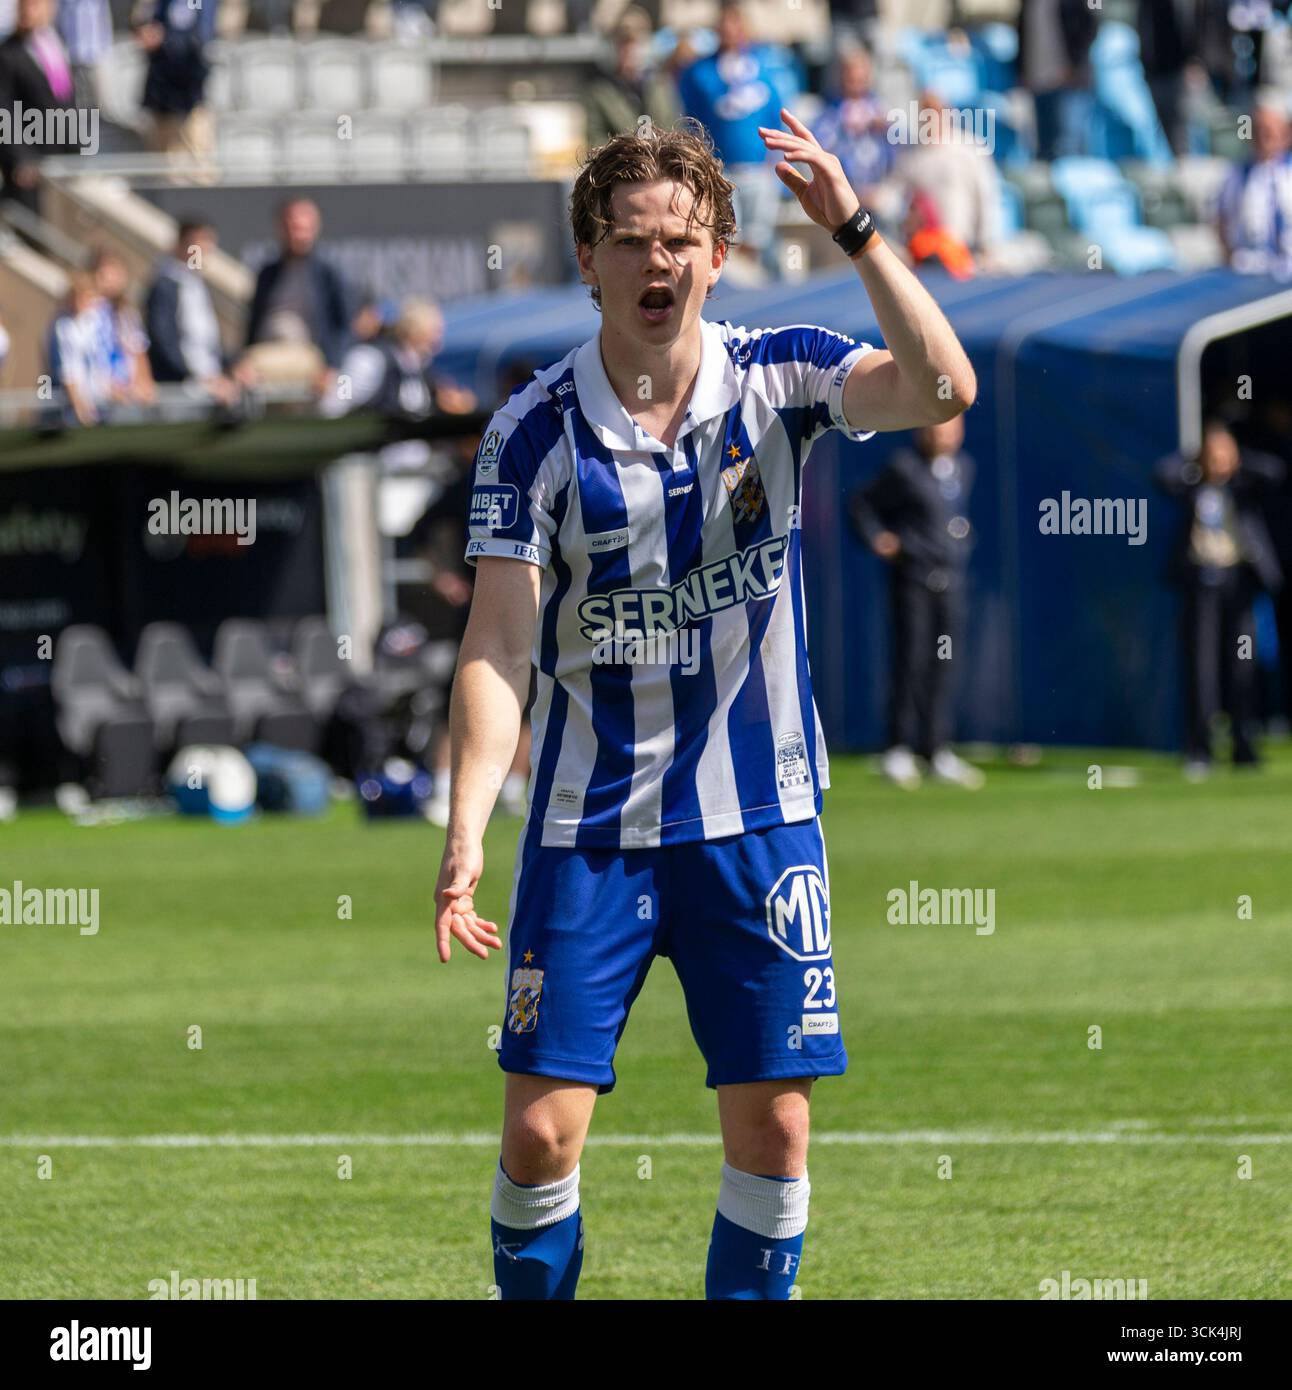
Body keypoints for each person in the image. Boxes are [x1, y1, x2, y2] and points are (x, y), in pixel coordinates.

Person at [433, 113, 976, 1300]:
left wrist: (854, 227)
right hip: (586, 830)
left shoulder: (778, 376)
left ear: (719, 253)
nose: (656, 263)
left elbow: (943, 382)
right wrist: (468, 823)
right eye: (629, 241)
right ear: (587, 259)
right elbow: (496, 642)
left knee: (774, 1130)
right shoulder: (531, 435)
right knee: (537, 1138)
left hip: (757, 820)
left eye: (681, 239)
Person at [849, 415, 982, 790]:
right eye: (938, 426)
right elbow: (861, 504)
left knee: (944, 664)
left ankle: (936, 748)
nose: (945, 434)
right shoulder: (903, 468)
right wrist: (878, 538)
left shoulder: (962, 469)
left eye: (953, 426)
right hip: (913, 581)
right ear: (922, 430)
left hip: (951, 585)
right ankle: (899, 747)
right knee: (911, 659)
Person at [1157, 420, 1285, 775]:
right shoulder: (1192, 484)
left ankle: (1244, 746)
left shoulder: (1243, 485)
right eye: (1213, 455)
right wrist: (1197, 462)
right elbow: (1161, 475)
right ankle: (1200, 750)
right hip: (1201, 585)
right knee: (1202, 668)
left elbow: (1275, 471)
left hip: (1238, 583)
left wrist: (1237, 458)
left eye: (1224, 454)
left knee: (1242, 666)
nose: (1219, 461)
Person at [676, 1, 800, 279]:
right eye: (725, 25)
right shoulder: (699, 72)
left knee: (757, 238)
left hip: (759, 167)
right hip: (721, 169)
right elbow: (690, 121)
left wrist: (775, 159)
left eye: (736, 24)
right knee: (728, 238)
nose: (731, 31)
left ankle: (762, 285)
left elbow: (778, 113)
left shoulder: (765, 66)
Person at [245, 197, 355, 391]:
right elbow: (252, 324)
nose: (296, 234)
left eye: (302, 228)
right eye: (290, 227)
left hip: (306, 355)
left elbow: (343, 326)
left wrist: (332, 366)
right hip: (265, 349)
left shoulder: (327, 273)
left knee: (248, 368)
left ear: (315, 228)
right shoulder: (268, 273)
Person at [145, 217, 240, 404]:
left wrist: (231, 366)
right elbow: (163, 339)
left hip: (208, 378)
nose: (204, 250)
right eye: (197, 244)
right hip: (184, 386)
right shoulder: (166, 285)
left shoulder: (196, 283)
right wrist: (194, 376)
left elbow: (208, 339)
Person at [897, 90, 1001, 262]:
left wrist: (986, 243)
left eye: (936, 111)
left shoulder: (970, 150)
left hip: (964, 248)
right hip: (926, 251)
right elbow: (895, 197)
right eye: (925, 112)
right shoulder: (912, 158)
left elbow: (986, 196)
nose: (931, 118)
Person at [0, 0, 77, 214]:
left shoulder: (54, 45)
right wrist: (20, 158)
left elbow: (65, 98)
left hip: (61, 154)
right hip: (31, 164)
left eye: (34, 5)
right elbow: (3, 110)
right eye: (23, 6)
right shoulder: (8, 53)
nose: (28, 12)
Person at [135, 0, 217, 172]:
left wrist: (163, 40)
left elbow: (199, 39)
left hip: (188, 98)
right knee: (162, 170)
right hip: (162, 96)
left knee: (199, 169)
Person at [1216, 97, 1292, 277]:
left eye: (1269, 130)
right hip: (1249, 269)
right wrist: (1230, 256)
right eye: (1257, 131)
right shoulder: (1237, 174)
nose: (1262, 137)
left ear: (1285, 132)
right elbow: (1220, 218)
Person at [585, 6, 679, 147]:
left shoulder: (660, 85)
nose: (630, 50)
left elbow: (674, 128)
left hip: (659, 163)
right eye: (624, 44)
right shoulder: (600, 91)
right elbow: (595, 140)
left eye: (635, 43)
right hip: (620, 164)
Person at [812, 45, 893, 206]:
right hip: (844, 192)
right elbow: (820, 146)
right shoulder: (830, 111)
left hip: (878, 191)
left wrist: (884, 127)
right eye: (851, 77)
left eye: (860, 77)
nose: (855, 82)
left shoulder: (879, 107)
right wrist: (843, 129)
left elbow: (899, 147)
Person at [1017, 0, 1097, 162]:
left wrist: (1076, 65)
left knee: (1069, 148)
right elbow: (1022, 30)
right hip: (1038, 82)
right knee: (1045, 149)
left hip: (1070, 84)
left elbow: (1092, 21)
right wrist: (1022, 70)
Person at [89, 246, 155, 407]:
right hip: (97, 399)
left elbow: (138, 351)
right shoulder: (87, 312)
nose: (112, 278)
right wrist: (108, 387)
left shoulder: (127, 313)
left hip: (127, 399)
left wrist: (145, 384)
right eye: (106, 271)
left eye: (116, 272)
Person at [47, 270, 113, 425]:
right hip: (74, 401)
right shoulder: (63, 326)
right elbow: (68, 370)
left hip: (99, 397)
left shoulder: (96, 319)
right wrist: (79, 405)